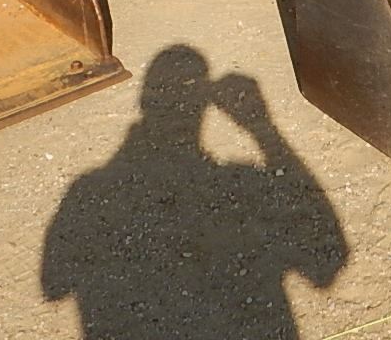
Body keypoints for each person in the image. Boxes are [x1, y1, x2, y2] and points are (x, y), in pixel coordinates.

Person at [42, 45, 347, 338]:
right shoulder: (241, 182)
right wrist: (263, 129)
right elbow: (325, 265)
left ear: (146, 101)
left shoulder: (87, 191)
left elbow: (53, 285)